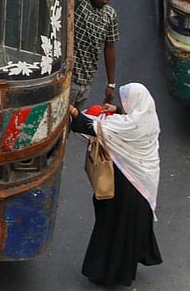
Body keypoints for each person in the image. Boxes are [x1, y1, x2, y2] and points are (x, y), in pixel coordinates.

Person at [68, 83, 163, 287]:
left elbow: (92, 127)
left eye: (124, 102)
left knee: (114, 226)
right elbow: (127, 120)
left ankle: (107, 273)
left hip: (127, 182)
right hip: (144, 180)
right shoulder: (147, 118)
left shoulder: (127, 126)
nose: (121, 105)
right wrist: (118, 110)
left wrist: (74, 112)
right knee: (132, 224)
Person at [71, 0, 122, 109]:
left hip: (86, 83)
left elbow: (109, 48)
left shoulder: (110, 15)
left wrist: (111, 84)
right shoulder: (80, 1)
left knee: (74, 122)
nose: (105, 0)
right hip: (70, 79)